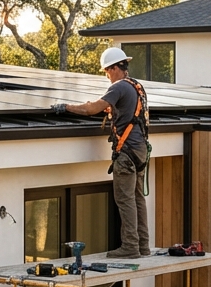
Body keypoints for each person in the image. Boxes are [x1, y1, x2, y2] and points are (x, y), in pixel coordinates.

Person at [50, 47, 150, 258]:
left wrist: (66, 107)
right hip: (140, 150)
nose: (107, 76)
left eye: (107, 71)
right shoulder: (137, 86)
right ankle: (143, 246)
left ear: (115, 68)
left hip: (127, 152)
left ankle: (130, 247)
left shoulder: (119, 87)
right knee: (137, 198)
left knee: (125, 199)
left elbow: (91, 109)